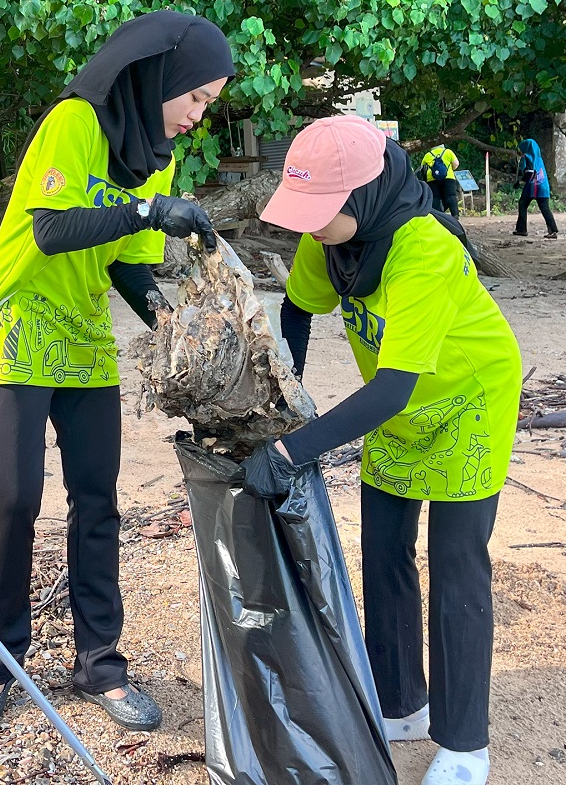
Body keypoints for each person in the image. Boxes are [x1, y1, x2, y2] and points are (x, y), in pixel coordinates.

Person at [0, 10, 235, 733]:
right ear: (162, 77)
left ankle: (100, 666)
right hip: (16, 321)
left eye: (209, 104)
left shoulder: (154, 157)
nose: (198, 117)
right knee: (13, 500)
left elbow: (128, 265)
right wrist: (146, 209)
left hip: (81, 334)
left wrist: (181, 330)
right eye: (196, 97)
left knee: (98, 501)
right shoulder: (75, 121)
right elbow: (54, 227)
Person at [245, 115, 520, 785]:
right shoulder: (335, 239)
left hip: (466, 402)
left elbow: (394, 387)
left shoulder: (421, 247)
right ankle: (400, 703)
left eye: (319, 212)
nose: (308, 227)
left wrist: (290, 452)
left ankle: (463, 745)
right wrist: (289, 395)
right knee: (384, 548)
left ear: (363, 194)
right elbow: (297, 308)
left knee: (456, 566)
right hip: (398, 412)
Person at [513, 138, 557, 239]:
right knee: (545, 208)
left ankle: (521, 229)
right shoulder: (538, 158)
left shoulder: (528, 157)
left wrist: (519, 183)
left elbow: (529, 173)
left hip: (533, 187)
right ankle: (553, 230)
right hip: (543, 186)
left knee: (523, 204)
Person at [419, 143, 460, 218]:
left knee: (435, 197)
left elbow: (422, 168)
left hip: (431, 179)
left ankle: (438, 216)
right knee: (451, 196)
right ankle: (455, 214)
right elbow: (456, 164)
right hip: (448, 178)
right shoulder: (448, 152)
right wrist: (450, 169)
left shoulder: (428, 155)